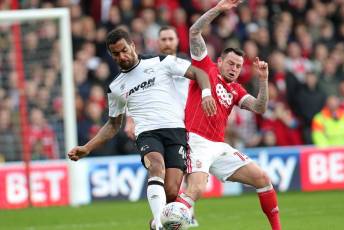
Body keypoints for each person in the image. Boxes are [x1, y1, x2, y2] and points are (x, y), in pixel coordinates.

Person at [67, 27, 216, 230]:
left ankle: (157, 223)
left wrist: (206, 94)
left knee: (172, 191)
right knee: (156, 166)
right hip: (147, 134)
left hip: (176, 131)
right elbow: (113, 125)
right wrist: (87, 147)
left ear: (133, 46)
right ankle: (158, 222)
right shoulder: (116, 87)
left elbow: (198, 73)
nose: (122, 56)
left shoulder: (161, 62)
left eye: (124, 50)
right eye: (116, 54)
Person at [176, 1, 281, 229]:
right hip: (197, 140)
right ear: (220, 61)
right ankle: (165, 221)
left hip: (219, 145)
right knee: (195, 189)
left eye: (238, 65)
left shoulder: (236, 89)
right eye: (230, 63)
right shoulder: (205, 66)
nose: (234, 68)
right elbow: (194, 31)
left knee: (262, 178)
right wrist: (218, 10)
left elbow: (259, 107)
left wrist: (263, 82)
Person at [123, 25, 201, 227]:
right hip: (156, 126)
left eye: (170, 39)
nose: (167, 43)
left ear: (177, 41)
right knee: (160, 171)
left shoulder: (185, 66)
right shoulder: (151, 66)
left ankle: (181, 214)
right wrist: (130, 118)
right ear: (158, 42)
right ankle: (167, 218)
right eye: (163, 39)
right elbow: (136, 93)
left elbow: (200, 87)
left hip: (186, 125)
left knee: (187, 177)